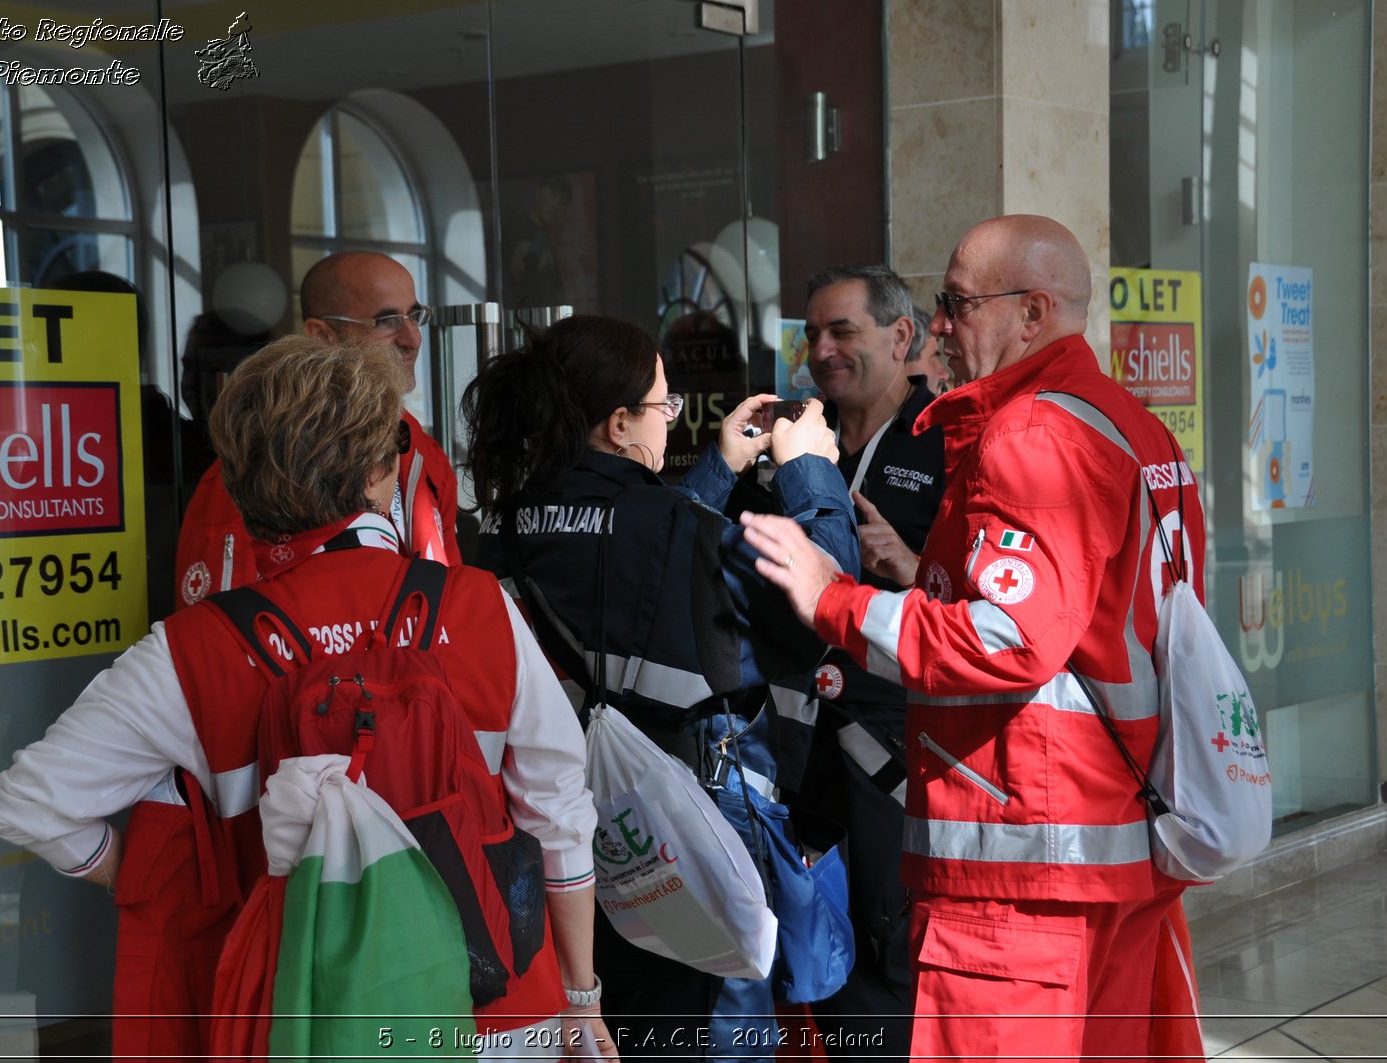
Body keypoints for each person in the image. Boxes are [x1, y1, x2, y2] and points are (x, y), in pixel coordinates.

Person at [0, 337, 614, 1061]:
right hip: (501, 1014)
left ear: (239, 481)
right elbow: (559, 814)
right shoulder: (482, 609)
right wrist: (580, 997)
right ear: (382, 474)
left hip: (308, 1019)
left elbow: (30, 802)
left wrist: (141, 873)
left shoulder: (188, 652)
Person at [740, 215, 1207, 1063]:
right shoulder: (1135, 429)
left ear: (1031, 313)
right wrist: (925, 580)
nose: (941, 327)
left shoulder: (1034, 434)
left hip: (1025, 871)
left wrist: (832, 597)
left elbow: (1008, 641)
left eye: (956, 304)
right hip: (1109, 851)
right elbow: (1090, 632)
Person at [460, 314, 860, 1061]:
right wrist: (811, 468)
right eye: (663, 406)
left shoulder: (502, 526)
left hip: (561, 834)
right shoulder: (674, 522)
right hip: (686, 830)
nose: (668, 420)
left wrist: (717, 466)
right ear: (619, 423)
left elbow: (639, 542)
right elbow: (827, 603)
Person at [791, 264, 948, 1056]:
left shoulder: (951, 443)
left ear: (900, 335)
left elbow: (999, 619)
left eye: (841, 330)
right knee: (813, 952)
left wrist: (913, 567)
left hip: (899, 753)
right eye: (811, 334)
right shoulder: (792, 443)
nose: (822, 349)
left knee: (893, 961)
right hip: (795, 751)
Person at [174, 251, 459, 610]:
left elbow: (454, 605)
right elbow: (220, 639)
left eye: (415, 316)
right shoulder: (262, 466)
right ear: (322, 336)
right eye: (387, 320)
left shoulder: (422, 452)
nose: (413, 338)